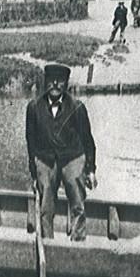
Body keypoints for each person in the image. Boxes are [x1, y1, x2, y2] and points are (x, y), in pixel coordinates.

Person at [26, 64, 97, 241]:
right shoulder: (34, 108)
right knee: (45, 208)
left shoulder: (77, 107)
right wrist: (34, 172)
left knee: (78, 206)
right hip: (45, 160)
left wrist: (90, 169)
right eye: (51, 80)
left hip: (72, 158)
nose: (55, 84)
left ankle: (78, 244)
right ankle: (47, 245)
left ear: (66, 84)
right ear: (45, 82)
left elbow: (88, 141)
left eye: (60, 81)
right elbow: (31, 142)